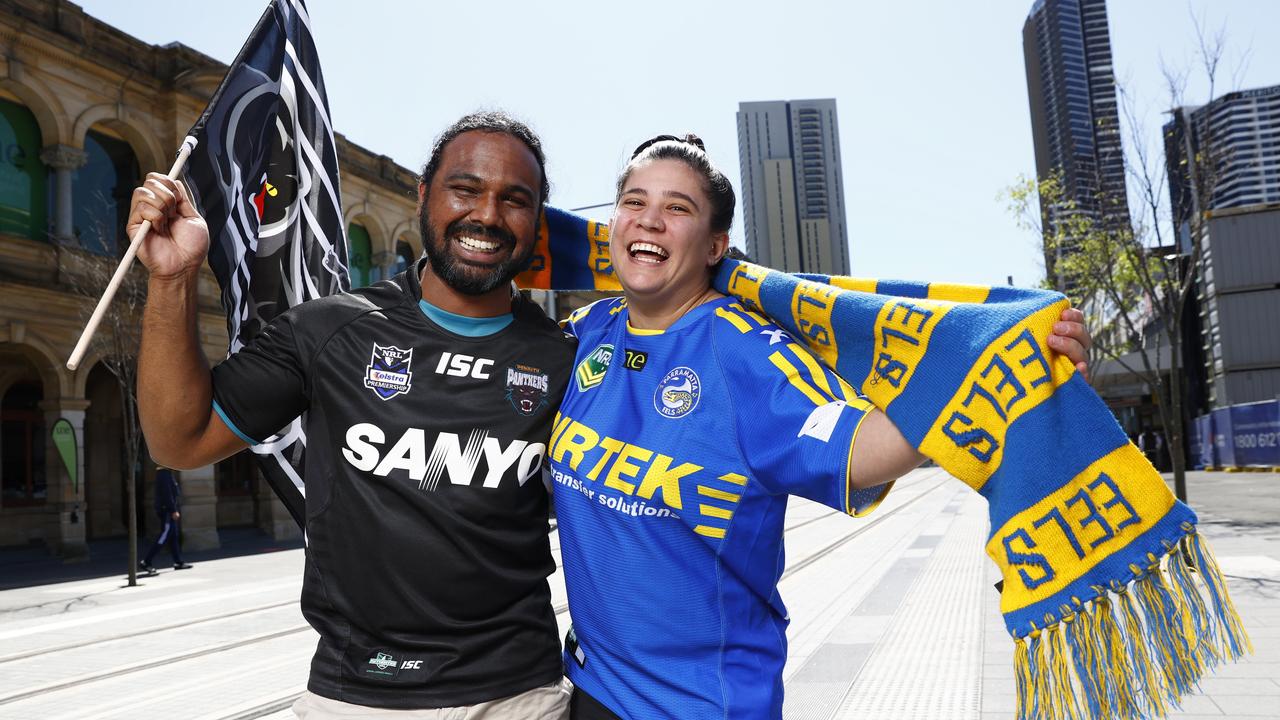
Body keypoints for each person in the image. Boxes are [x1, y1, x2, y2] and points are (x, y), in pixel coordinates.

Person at [549, 135, 1092, 720]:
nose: (650, 221)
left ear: (715, 245)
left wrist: (1004, 373)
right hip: (589, 692)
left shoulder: (747, 354)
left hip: (701, 705)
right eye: (634, 202)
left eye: (677, 208)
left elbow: (862, 450)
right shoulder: (584, 334)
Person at [130, 112, 573, 718]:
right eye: (466, 190)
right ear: (425, 194)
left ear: (537, 220)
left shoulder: (563, 359)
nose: (488, 216)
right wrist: (173, 278)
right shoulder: (329, 329)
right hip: (355, 696)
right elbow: (178, 441)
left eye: (515, 200)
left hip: (519, 696)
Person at [140, 466, 191, 572]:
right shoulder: (164, 475)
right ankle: (146, 561)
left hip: (167, 511)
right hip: (167, 511)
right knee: (163, 536)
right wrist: (173, 510)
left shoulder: (166, 474)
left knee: (173, 537)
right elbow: (167, 495)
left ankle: (178, 562)